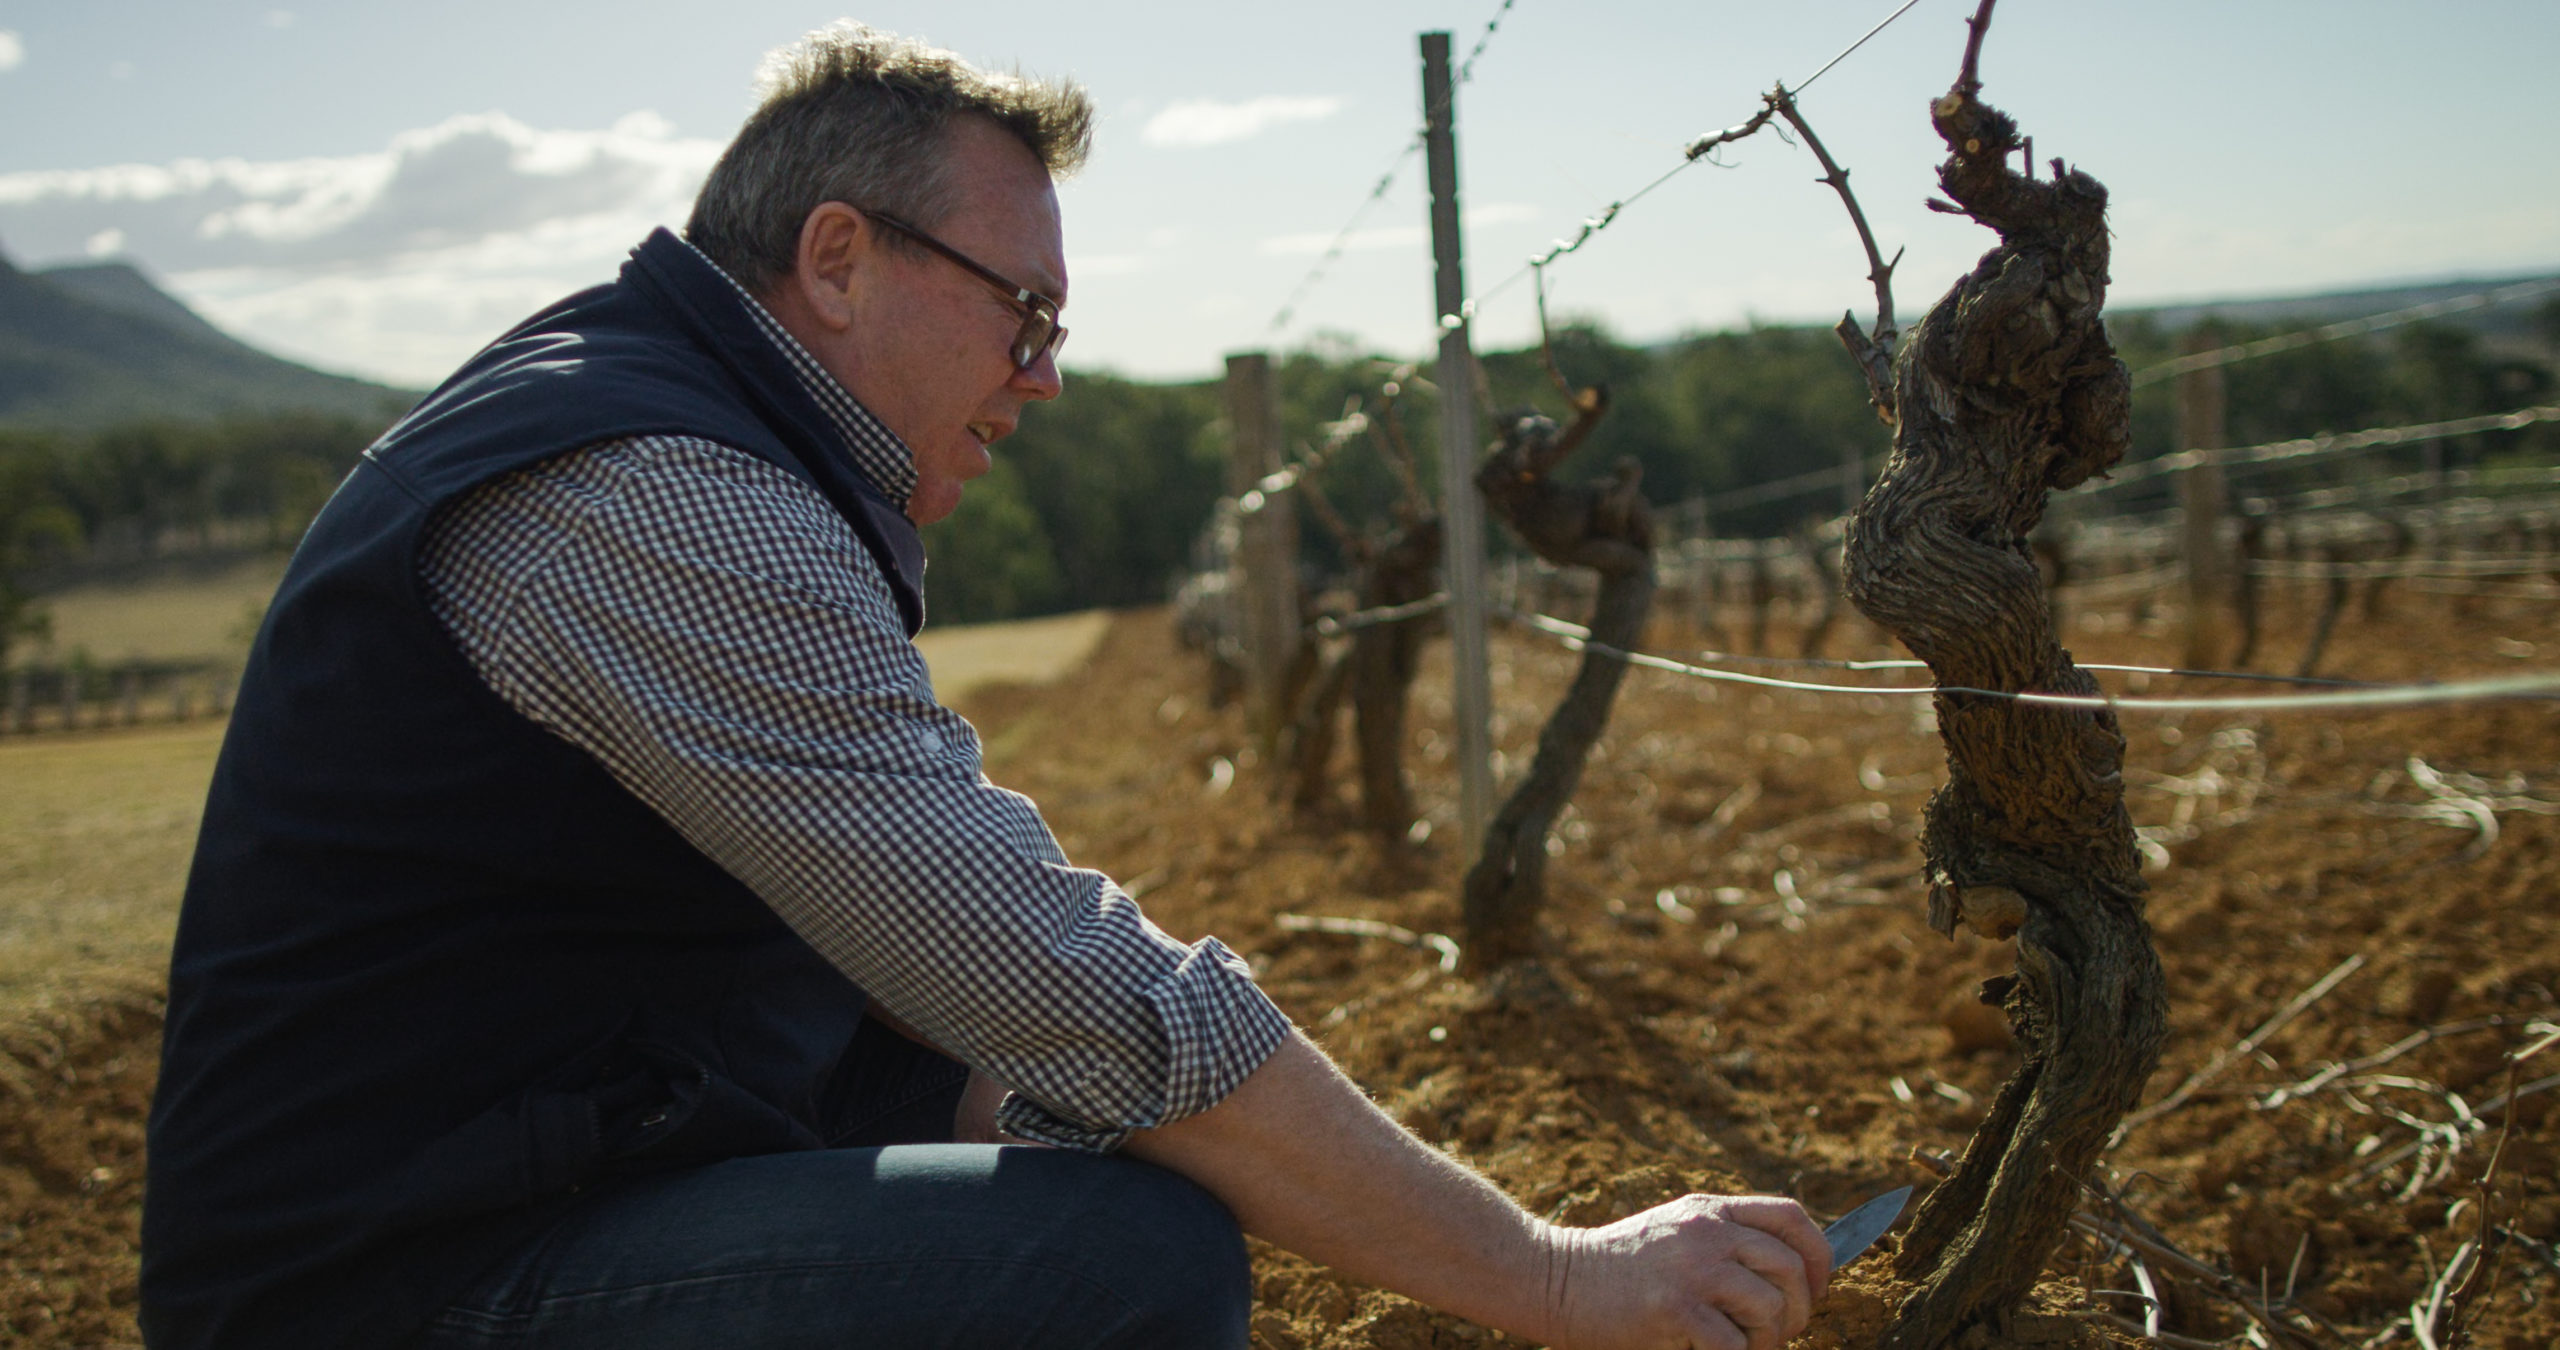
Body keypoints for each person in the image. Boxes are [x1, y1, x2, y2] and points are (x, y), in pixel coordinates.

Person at [141, 23, 1831, 1350]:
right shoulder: (653, 491)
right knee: (1114, 1263)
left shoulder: (673, 423)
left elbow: (888, 992)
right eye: (1022, 310)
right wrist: (1547, 1272)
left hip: (518, 1172)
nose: (1045, 376)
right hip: (378, 1290)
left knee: (1100, 1163)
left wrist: (1117, 1111)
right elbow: (1039, 965)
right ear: (838, 258)